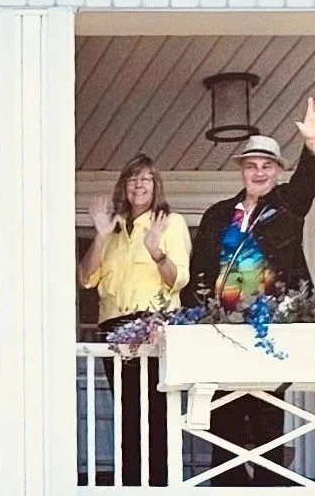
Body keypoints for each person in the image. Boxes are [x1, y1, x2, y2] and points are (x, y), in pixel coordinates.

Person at [184, 95, 315, 487]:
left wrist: (313, 144)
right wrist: (195, 316)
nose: (259, 172)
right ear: (241, 171)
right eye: (251, 165)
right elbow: (198, 269)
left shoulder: (286, 205)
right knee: (224, 423)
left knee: (267, 421)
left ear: (277, 171)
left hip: (270, 329)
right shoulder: (218, 214)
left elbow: (306, 186)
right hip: (223, 329)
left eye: (267, 166)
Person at [77, 155, 189, 487]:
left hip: (152, 326)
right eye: (132, 179)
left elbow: (178, 280)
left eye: (146, 179)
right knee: (127, 413)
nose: (138, 185)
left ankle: (160, 487)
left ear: (156, 185)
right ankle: (131, 486)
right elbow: (86, 278)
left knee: (156, 413)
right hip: (114, 329)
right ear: (123, 186)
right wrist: (100, 236)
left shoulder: (170, 223)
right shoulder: (112, 229)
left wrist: (156, 251)